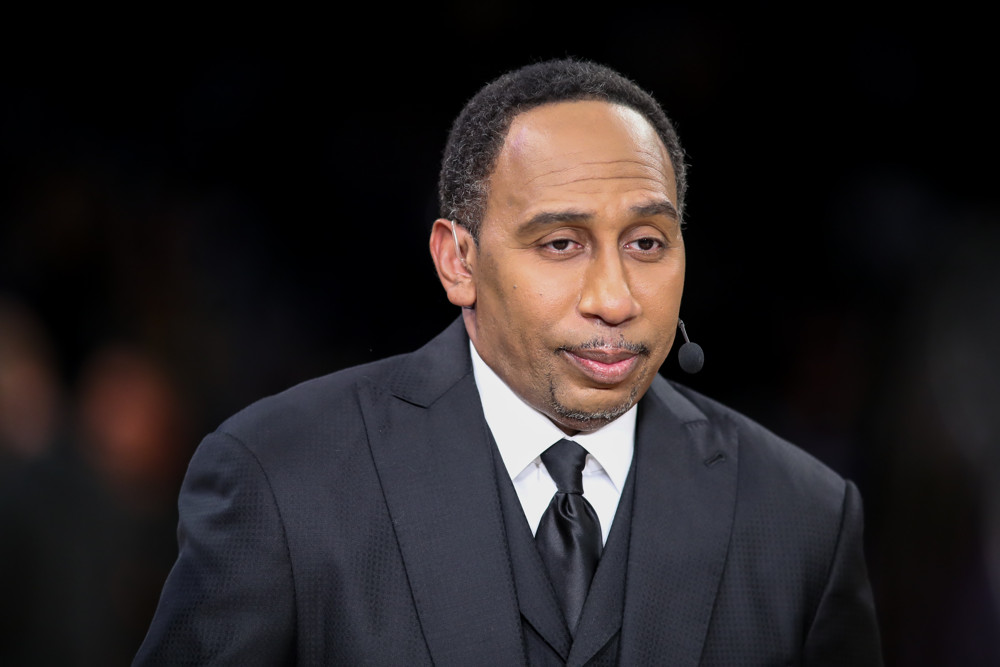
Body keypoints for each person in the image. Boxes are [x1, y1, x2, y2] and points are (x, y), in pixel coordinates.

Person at [135, 59, 882, 665]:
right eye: (561, 243)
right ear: (457, 261)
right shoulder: (281, 482)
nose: (615, 298)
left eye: (646, 243)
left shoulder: (803, 520)